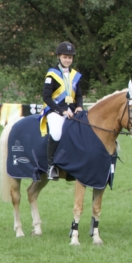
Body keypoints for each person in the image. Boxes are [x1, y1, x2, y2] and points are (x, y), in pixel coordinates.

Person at [42, 41, 86, 179]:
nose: (67, 60)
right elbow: (46, 97)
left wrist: (79, 106)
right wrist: (61, 111)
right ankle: (50, 166)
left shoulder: (75, 75)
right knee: (56, 133)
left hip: (72, 111)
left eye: (70, 57)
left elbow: (78, 95)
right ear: (59, 57)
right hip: (54, 110)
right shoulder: (52, 75)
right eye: (65, 57)